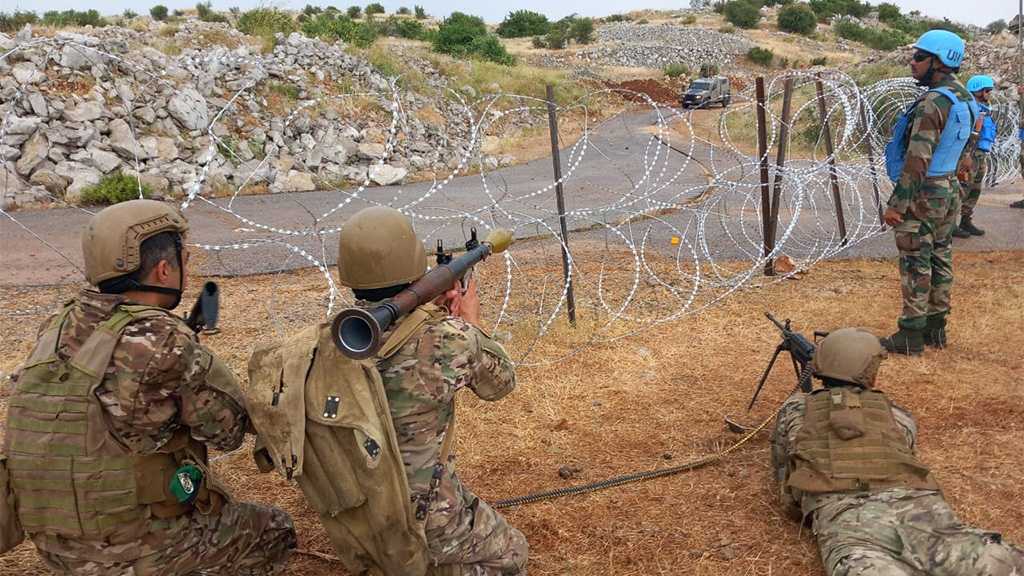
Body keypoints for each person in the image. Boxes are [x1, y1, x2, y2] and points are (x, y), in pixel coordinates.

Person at [2, 200, 295, 575]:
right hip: (135, 557)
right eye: (184, 260)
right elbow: (228, 433)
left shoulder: (57, 326)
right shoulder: (164, 340)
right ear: (162, 270)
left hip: (56, 549)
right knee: (274, 529)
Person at [244, 206, 527, 576]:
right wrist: (469, 323)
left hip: (362, 521)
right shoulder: (450, 342)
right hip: (428, 523)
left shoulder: (318, 347)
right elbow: (501, 384)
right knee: (512, 555)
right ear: (415, 263)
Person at [770, 327, 1024, 576]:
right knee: (1001, 562)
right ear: (870, 371)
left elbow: (788, 482)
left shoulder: (795, 410)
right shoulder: (897, 415)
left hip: (850, 523)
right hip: (921, 513)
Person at [882, 30, 978, 355]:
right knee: (940, 256)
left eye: (920, 57)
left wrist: (898, 203)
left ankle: (910, 334)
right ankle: (936, 328)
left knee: (915, 260)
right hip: (949, 189)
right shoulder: (965, 98)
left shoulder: (935, 101)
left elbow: (917, 157)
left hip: (923, 191)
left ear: (939, 62)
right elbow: (969, 143)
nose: (913, 62)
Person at [953, 75, 997, 238]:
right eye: (986, 90)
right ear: (977, 90)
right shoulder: (969, 107)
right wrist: (967, 155)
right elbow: (969, 134)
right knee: (962, 188)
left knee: (975, 188)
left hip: (980, 154)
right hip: (969, 154)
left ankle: (966, 219)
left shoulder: (985, 107)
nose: (988, 93)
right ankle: (950, 224)